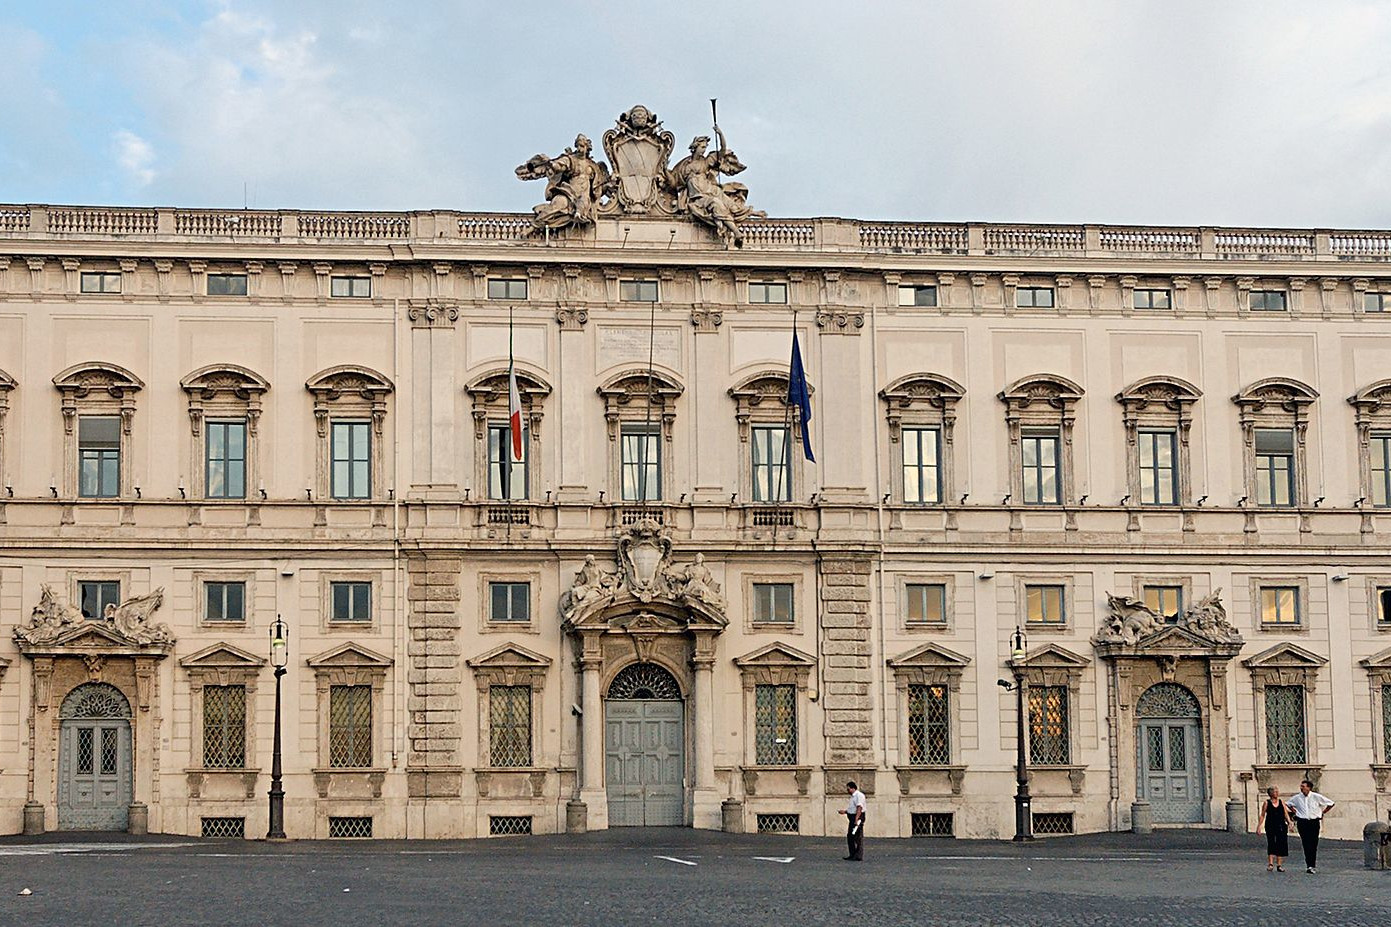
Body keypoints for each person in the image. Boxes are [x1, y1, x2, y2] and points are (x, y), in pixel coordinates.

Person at [1287, 779, 1335, 873]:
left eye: (1303, 786)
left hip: (1314, 821)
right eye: (1301, 786)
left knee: (1313, 843)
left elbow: (1331, 803)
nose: (1301, 788)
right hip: (1302, 821)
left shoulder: (1316, 796)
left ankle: (1312, 864)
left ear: (1309, 788)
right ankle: (1309, 864)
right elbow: (1288, 804)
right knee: (1305, 843)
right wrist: (1294, 811)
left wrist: (1322, 812)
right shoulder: (1297, 797)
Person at [1255, 785, 1293, 872]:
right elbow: (1262, 814)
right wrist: (1259, 826)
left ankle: (1279, 864)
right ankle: (1271, 863)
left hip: (1281, 825)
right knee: (1271, 843)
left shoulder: (1281, 802)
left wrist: (1289, 822)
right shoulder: (1267, 803)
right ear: (1271, 793)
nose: (1277, 793)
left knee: (1281, 844)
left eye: (1277, 791)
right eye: (1275, 792)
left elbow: (1285, 813)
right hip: (1271, 825)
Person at [837, 781, 866, 861]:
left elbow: (859, 807)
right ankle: (852, 854)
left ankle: (858, 855)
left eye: (848, 789)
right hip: (853, 818)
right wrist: (845, 811)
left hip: (857, 818)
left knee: (857, 836)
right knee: (851, 836)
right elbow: (853, 808)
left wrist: (857, 819)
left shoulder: (859, 796)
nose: (848, 791)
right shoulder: (853, 797)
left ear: (853, 788)